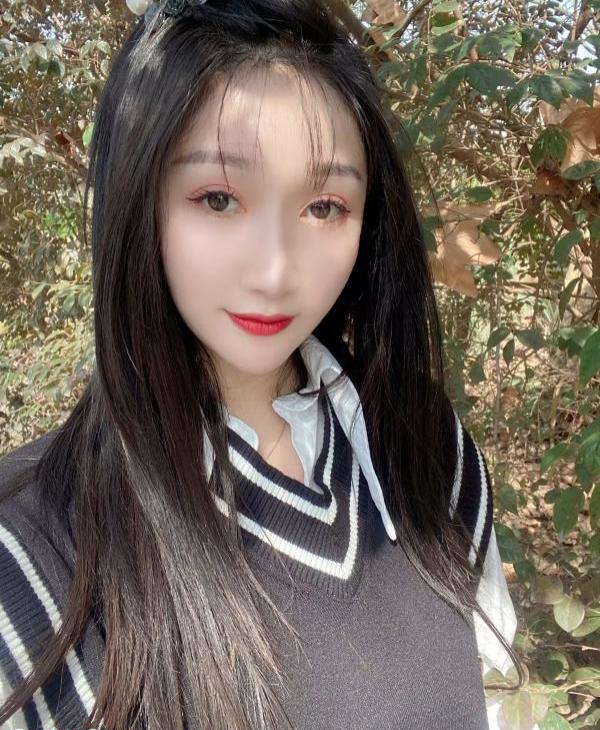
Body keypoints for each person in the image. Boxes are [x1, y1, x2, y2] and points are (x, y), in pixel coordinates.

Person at [0, 0, 527, 728]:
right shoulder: (31, 556)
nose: (276, 271)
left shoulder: (427, 454)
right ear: (137, 198)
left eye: (325, 207)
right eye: (218, 198)